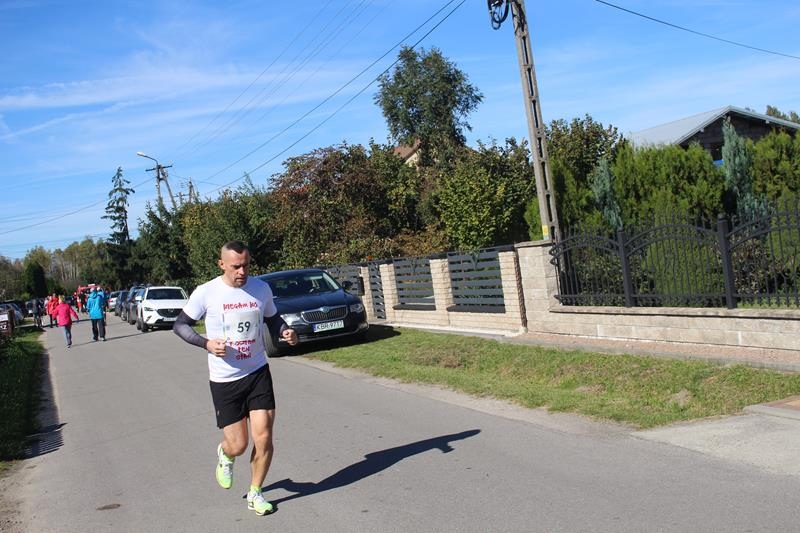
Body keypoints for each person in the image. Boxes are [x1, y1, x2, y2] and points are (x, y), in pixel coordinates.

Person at [173, 240, 298, 516]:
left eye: (246, 266)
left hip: (257, 372)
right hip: (225, 379)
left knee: (263, 437)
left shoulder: (261, 289)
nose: (242, 272)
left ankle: (255, 492)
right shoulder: (206, 292)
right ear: (222, 264)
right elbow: (180, 325)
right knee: (239, 444)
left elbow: (273, 319)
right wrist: (206, 343)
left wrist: (285, 331)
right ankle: (226, 453)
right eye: (236, 267)